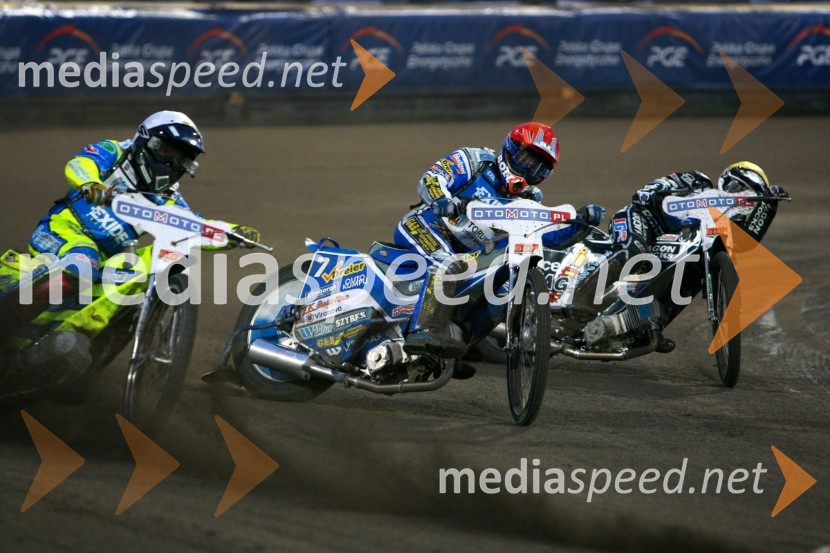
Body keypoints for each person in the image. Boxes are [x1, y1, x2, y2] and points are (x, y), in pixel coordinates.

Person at [20, 111, 261, 380]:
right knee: (82, 265)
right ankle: (12, 318)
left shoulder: (167, 199)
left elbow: (195, 226)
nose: (171, 163)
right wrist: (90, 183)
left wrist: (233, 233)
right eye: (167, 151)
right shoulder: (115, 152)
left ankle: (78, 364)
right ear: (147, 141)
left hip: (107, 259)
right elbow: (79, 164)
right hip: (64, 231)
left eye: (180, 159)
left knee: (135, 297)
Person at [394, 121, 604, 358]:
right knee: (447, 264)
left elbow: (548, 238)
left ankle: (458, 348)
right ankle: (424, 331)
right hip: (426, 225)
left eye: (539, 168)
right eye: (527, 160)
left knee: (502, 293)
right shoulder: (474, 159)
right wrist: (441, 200)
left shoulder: (530, 198)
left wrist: (582, 224)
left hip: (468, 252)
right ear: (510, 149)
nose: (530, 171)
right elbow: (432, 178)